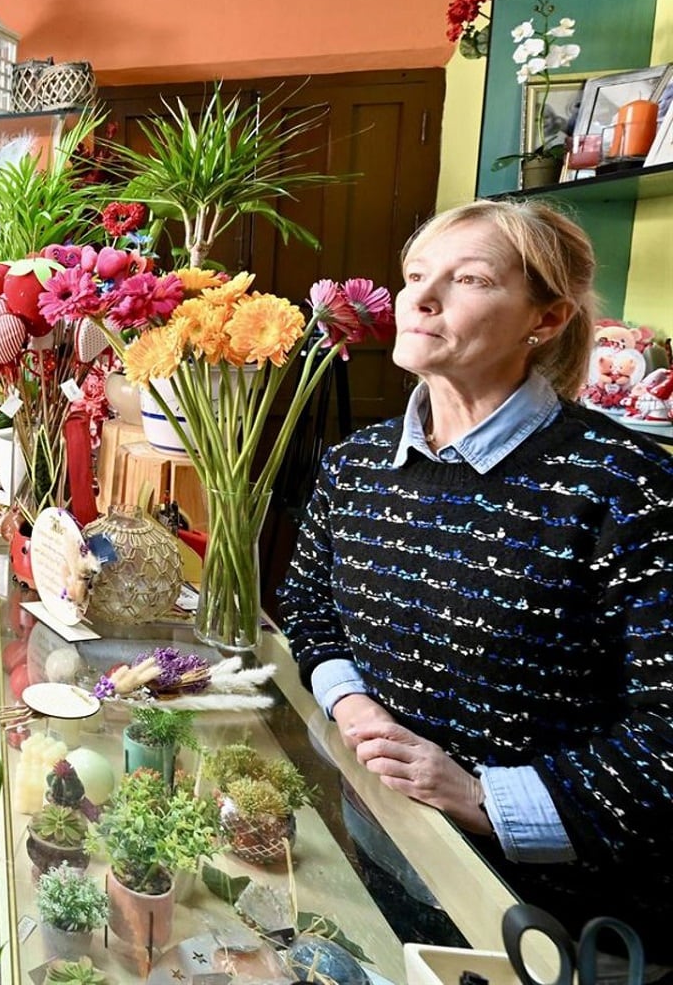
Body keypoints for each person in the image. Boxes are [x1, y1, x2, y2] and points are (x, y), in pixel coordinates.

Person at [279, 199, 673, 960]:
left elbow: (664, 740)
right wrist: (351, 701)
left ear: (548, 319)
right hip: (388, 862)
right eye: (416, 276)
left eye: (468, 280)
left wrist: (480, 795)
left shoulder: (627, 487)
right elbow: (306, 607)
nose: (421, 299)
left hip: (562, 929)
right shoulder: (357, 465)